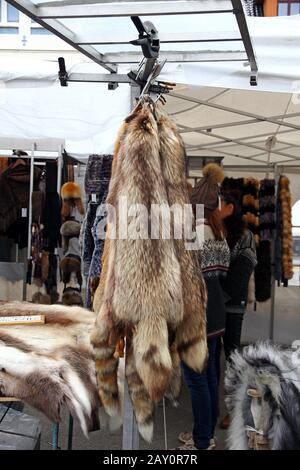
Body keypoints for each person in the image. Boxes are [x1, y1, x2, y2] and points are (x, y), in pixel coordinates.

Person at [177, 164, 230, 450]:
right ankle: (205, 434)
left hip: (198, 316)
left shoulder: (196, 230)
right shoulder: (219, 232)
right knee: (208, 375)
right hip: (216, 313)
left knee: (196, 379)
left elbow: (185, 275)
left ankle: (201, 441)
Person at [217, 190, 257, 429]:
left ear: (230, 207)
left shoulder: (245, 236)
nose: (214, 208)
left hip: (231, 307)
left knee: (232, 357)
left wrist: (216, 299)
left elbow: (241, 275)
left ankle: (234, 409)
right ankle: (213, 407)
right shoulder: (214, 232)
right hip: (213, 308)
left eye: (218, 204)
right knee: (211, 358)